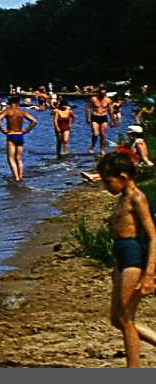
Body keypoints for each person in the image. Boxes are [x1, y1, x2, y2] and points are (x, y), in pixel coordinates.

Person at [95, 152, 156, 367]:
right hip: (122, 256)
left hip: (134, 255)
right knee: (116, 319)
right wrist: (116, 265)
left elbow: (152, 235)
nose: (106, 187)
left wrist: (149, 274)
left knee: (127, 318)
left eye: (108, 182)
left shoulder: (136, 198)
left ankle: (133, 369)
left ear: (123, 177)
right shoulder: (122, 198)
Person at [0, 95, 38, 183]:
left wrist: (2, 130)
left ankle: (16, 177)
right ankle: (21, 176)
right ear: (17, 103)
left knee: (11, 158)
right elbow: (34, 121)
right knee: (19, 158)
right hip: (20, 135)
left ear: (10, 103)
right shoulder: (21, 112)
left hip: (11, 135)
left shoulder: (8, 111)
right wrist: (26, 130)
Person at [88, 89, 114, 156]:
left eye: (104, 93)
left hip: (103, 117)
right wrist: (88, 118)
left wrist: (112, 120)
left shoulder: (108, 100)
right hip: (94, 117)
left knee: (103, 135)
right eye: (102, 93)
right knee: (96, 133)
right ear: (98, 93)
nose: (103, 95)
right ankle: (92, 146)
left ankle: (102, 150)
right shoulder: (93, 99)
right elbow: (88, 108)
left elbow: (110, 111)